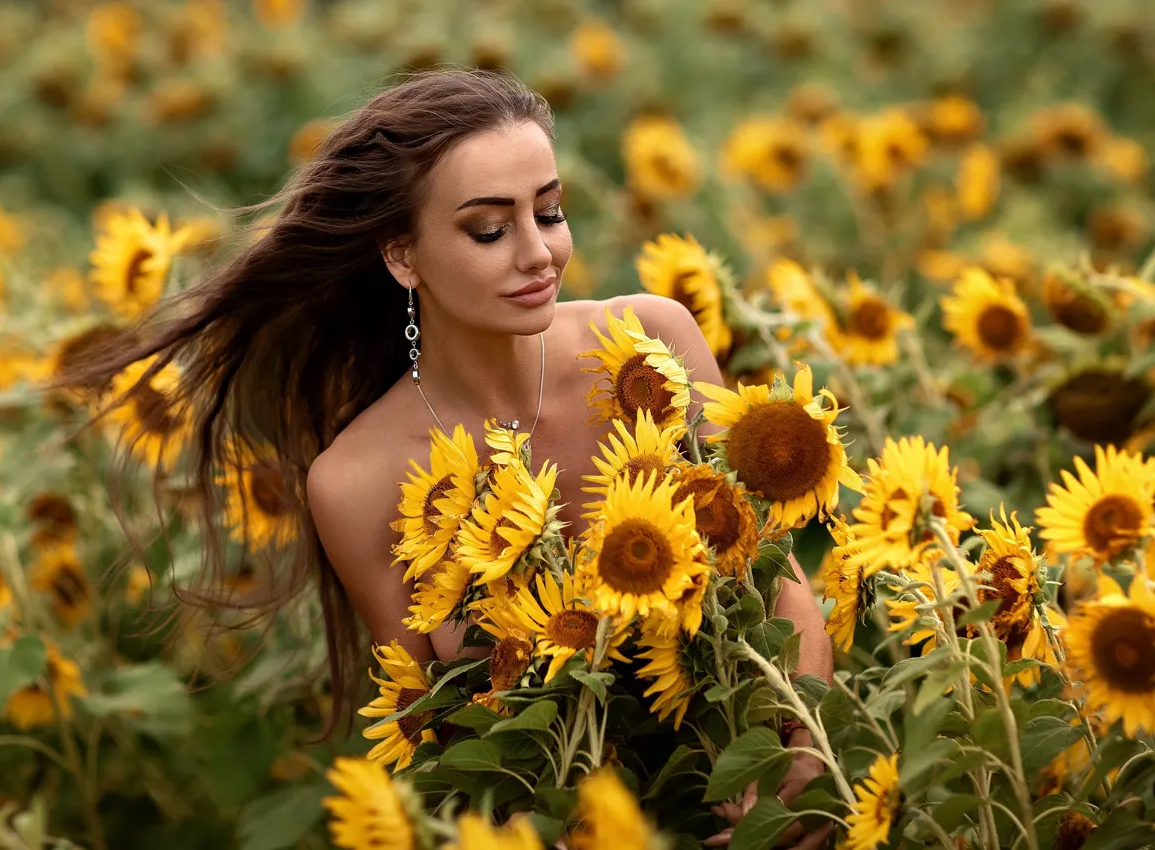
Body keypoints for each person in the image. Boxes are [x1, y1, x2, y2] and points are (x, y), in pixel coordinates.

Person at [65, 67, 831, 849]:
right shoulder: (359, 480)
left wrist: (800, 757)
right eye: (490, 230)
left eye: (551, 211)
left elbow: (777, 579)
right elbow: (444, 734)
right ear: (402, 254)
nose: (540, 254)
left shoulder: (651, 343)